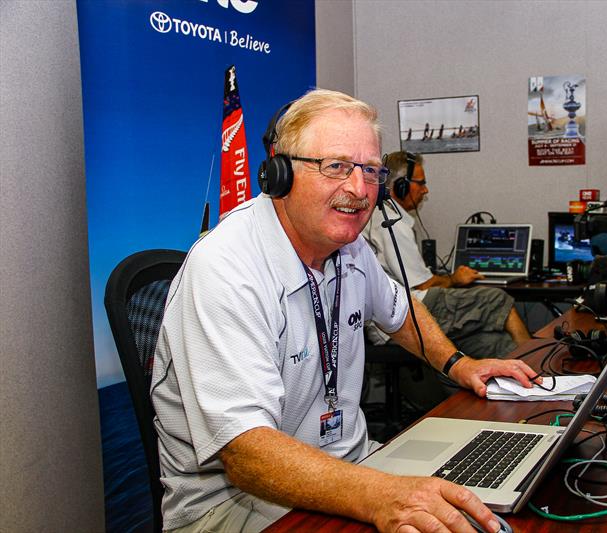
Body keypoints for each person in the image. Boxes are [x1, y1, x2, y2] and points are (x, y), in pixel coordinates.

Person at [151, 89, 539, 533]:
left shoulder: (351, 249)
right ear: (279, 173)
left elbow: (401, 312)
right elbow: (246, 455)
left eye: (370, 171)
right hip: (236, 504)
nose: (358, 190)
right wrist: (379, 494)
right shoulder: (226, 268)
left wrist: (459, 364)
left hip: (349, 465)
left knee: (489, 502)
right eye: (335, 166)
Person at [364, 151, 532, 360]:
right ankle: (537, 369)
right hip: (404, 315)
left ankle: (524, 379)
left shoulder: (383, 217)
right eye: (421, 183)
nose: (425, 190)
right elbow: (423, 285)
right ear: (401, 186)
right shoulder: (390, 223)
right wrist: (454, 279)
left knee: (491, 343)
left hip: (397, 315)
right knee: (497, 299)